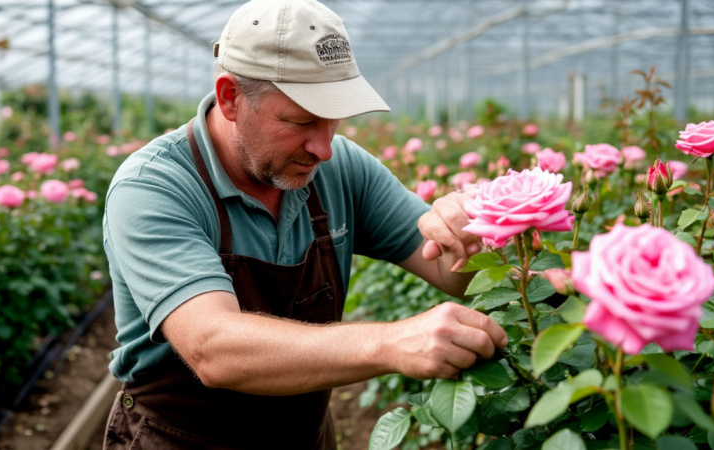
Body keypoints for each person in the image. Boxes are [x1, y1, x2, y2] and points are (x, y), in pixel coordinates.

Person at [101, 0, 507, 448]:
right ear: (230, 97)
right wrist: (390, 343)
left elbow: (451, 273)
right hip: (181, 439)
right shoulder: (155, 187)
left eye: (333, 119)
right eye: (300, 121)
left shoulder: (342, 170)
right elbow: (215, 349)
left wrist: (477, 234)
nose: (324, 147)